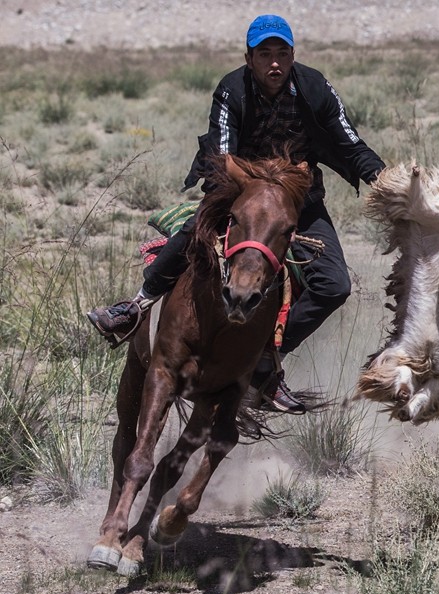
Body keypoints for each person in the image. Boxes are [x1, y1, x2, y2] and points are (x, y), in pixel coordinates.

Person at [87, 14, 385, 414]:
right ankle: (136, 305)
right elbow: (221, 154)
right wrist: (253, 185)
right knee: (194, 232)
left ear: (293, 55)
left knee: (335, 286)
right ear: (249, 58)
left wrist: (389, 181)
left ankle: (266, 358)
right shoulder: (232, 89)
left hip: (301, 203)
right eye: (265, 54)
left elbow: (351, 144)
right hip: (239, 194)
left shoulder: (314, 87)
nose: (274, 63)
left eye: (282, 53)